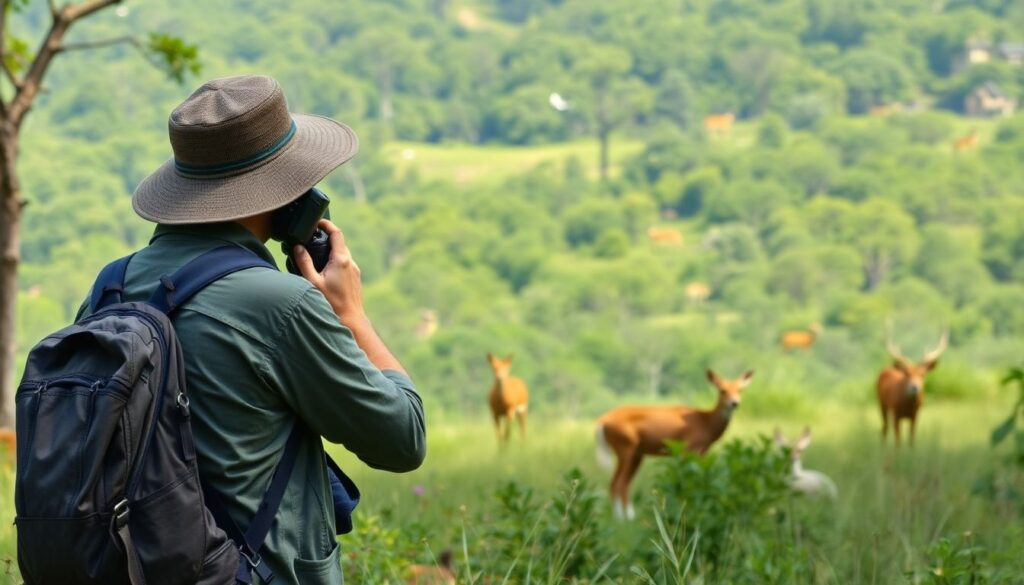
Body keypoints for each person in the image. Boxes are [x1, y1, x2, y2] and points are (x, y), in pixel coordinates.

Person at [77, 74, 426, 584]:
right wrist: (351, 315)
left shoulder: (110, 288)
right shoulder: (282, 304)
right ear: (281, 193)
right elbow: (404, 437)